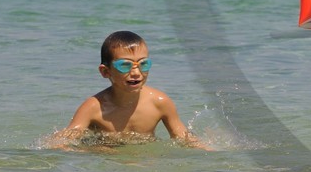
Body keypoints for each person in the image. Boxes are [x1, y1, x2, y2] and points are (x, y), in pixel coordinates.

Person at [47, 30, 200, 147]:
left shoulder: (160, 103)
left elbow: (183, 137)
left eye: (143, 64)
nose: (135, 72)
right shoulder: (94, 107)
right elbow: (66, 138)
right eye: (125, 65)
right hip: (105, 158)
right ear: (105, 72)